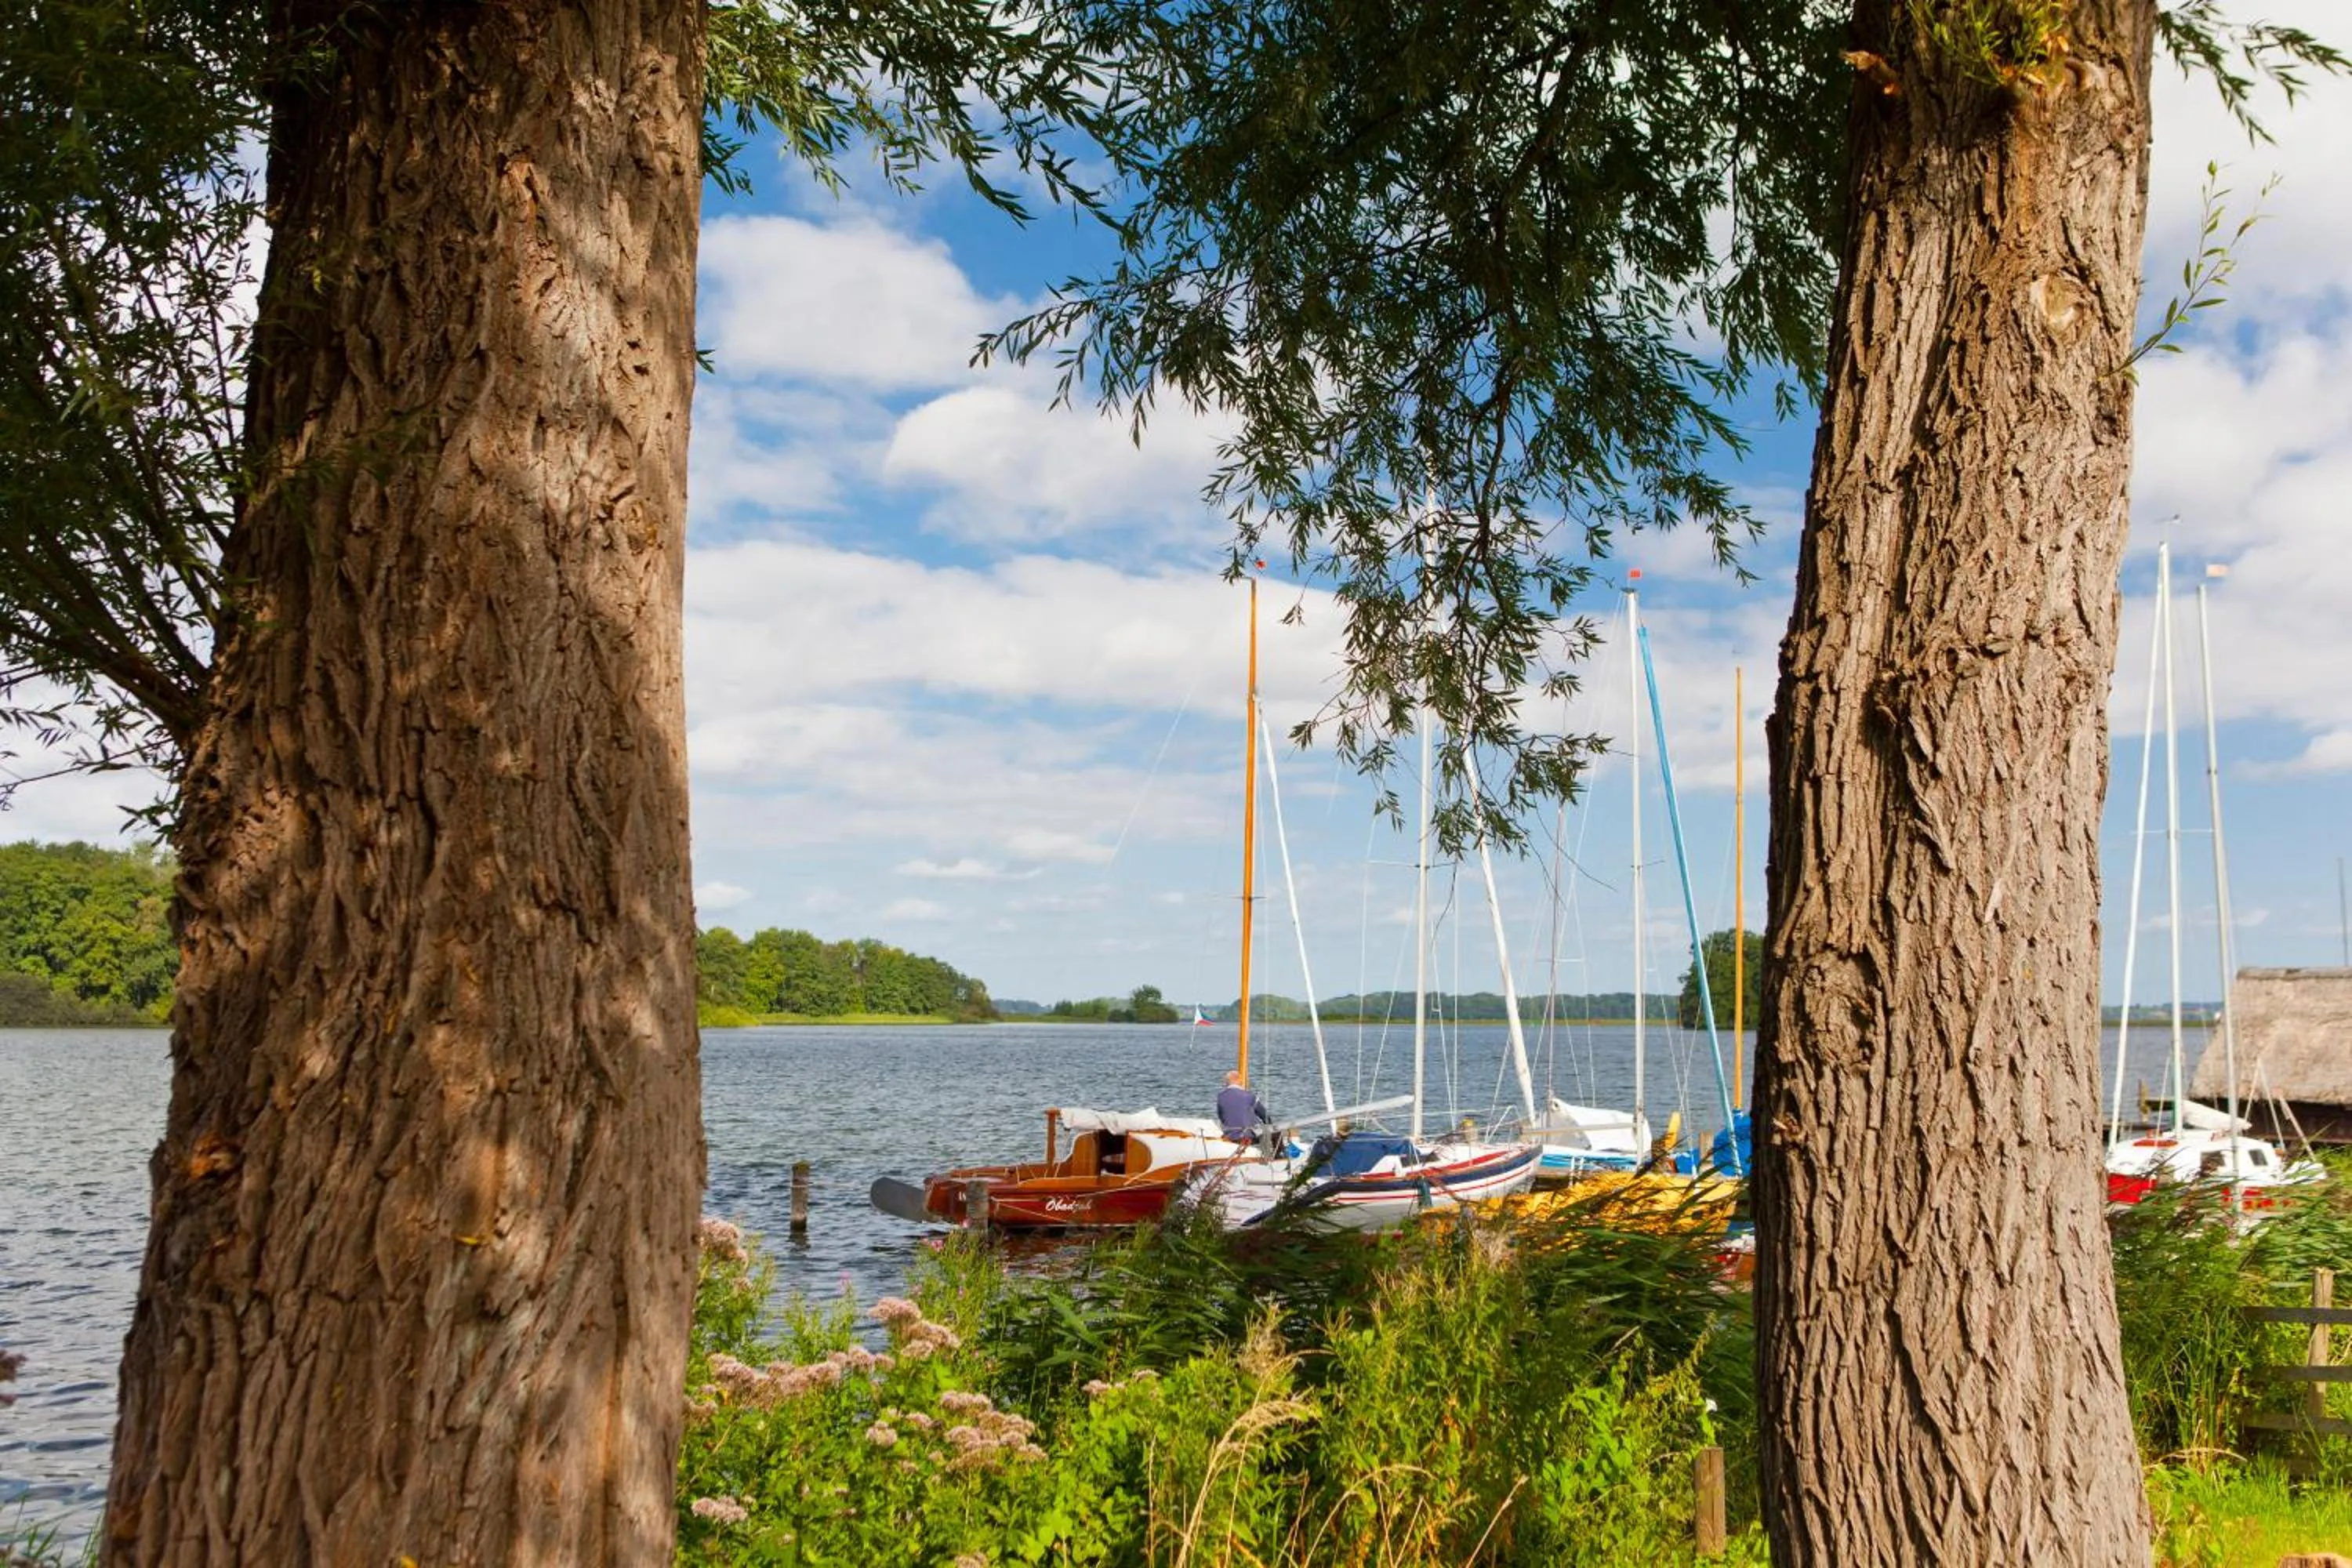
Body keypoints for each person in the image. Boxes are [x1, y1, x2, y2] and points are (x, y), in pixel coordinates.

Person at [1216, 1069, 1270, 1144]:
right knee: (1275, 1132)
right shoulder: (1250, 1096)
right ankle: (1279, 1153)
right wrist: (1269, 1125)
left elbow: (1221, 1117)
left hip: (1229, 1136)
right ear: (1240, 1081)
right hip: (1248, 1136)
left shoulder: (1220, 1097)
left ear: (1227, 1082)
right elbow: (1264, 1115)